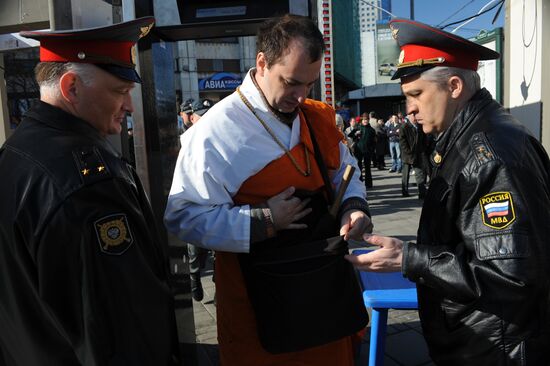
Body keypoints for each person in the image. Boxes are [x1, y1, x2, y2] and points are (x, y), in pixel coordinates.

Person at [165, 14, 372, 366]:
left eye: (308, 85)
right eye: (291, 82)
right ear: (262, 62)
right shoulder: (216, 130)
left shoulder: (316, 115)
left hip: (322, 282)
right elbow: (183, 217)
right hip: (258, 296)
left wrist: (355, 206)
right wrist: (262, 219)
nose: (300, 96)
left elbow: (346, 172)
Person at [346, 18, 550, 365]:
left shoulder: (489, 154)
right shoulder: (469, 137)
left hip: (496, 349)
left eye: (416, 95)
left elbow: (512, 276)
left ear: (454, 86)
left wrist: (409, 259)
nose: (408, 108)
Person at [0, 18, 180, 365]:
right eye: (119, 91)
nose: (129, 107)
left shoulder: (14, 155)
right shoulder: (87, 184)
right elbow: (119, 328)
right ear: (71, 88)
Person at [184, 98, 216, 302]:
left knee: (219, 255)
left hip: (216, 204)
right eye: (201, 117)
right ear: (192, 117)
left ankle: (219, 287)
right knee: (196, 250)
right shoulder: (184, 140)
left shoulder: (217, 138)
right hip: (194, 204)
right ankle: (194, 276)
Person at [399, 112, 428, 198]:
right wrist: (408, 152)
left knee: (419, 174)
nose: (415, 118)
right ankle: (405, 191)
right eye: (413, 116)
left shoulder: (420, 126)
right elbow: (402, 141)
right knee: (405, 174)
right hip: (407, 155)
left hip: (417, 154)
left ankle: (422, 192)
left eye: (416, 115)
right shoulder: (404, 126)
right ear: (409, 116)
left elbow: (423, 139)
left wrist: (423, 150)